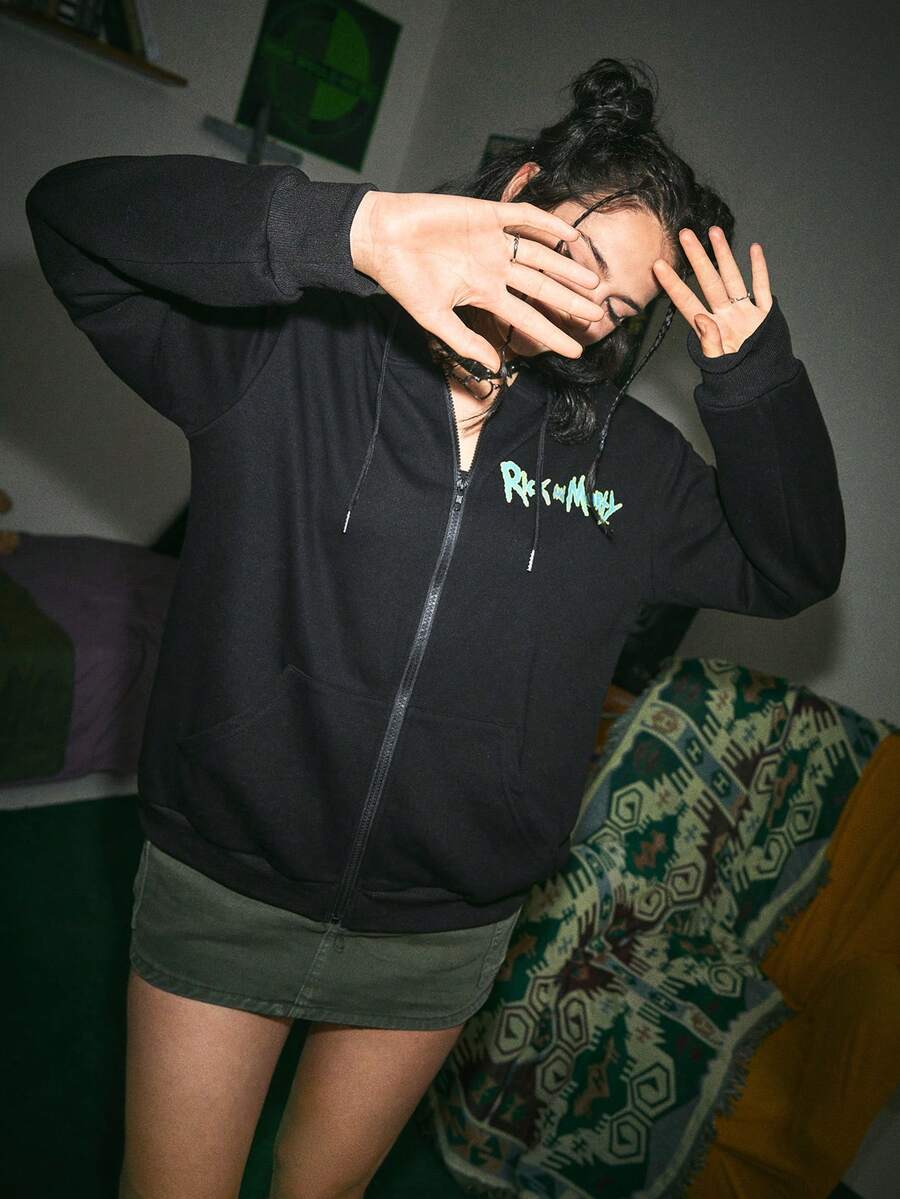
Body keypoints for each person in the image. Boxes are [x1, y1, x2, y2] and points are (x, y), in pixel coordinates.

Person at [25, 56, 844, 1199]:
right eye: (580, 263)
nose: (587, 318)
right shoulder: (290, 353)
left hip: (440, 931)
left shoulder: (634, 470)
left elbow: (792, 564)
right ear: (518, 193)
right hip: (228, 881)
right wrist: (354, 232)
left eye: (620, 310)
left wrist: (753, 377)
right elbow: (72, 220)